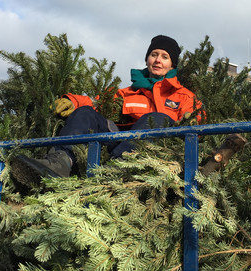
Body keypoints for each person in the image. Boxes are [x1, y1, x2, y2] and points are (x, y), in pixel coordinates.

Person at [11, 35, 202, 184]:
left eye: (164, 57)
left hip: (154, 151)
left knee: (158, 118)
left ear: (172, 64)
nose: (158, 60)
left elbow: (198, 117)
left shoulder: (184, 96)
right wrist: (73, 101)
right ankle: (60, 162)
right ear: (147, 59)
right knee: (85, 113)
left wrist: (192, 121)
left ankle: (117, 170)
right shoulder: (128, 93)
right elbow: (96, 103)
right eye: (154, 54)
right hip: (119, 141)